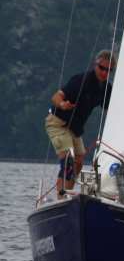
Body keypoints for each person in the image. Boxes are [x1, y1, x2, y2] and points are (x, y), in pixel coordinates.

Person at [45, 50, 115, 197]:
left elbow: (113, 108)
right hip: (58, 123)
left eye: (108, 70)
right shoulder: (81, 80)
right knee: (68, 162)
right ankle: (61, 198)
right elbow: (56, 96)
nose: (104, 72)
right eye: (101, 68)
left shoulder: (106, 89)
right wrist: (63, 104)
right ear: (95, 65)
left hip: (75, 128)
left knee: (78, 163)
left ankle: (67, 195)